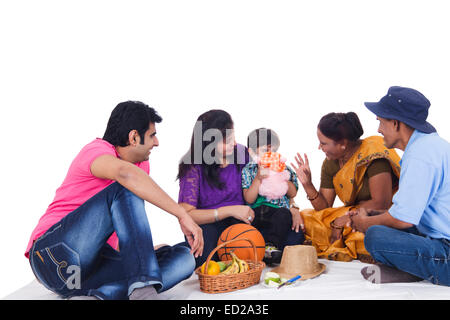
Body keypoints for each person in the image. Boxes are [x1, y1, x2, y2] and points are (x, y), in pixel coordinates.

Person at [26, 101, 203, 300]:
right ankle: (143, 291)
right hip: (52, 256)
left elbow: (122, 223)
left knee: (185, 257)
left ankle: (101, 296)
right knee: (124, 187)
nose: (157, 142)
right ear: (134, 137)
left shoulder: (140, 167)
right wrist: (181, 214)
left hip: (85, 275)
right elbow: (125, 175)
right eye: (152, 135)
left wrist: (142, 254)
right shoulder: (96, 151)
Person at [348, 86, 449, 286]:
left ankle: (421, 270)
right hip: (434, 233)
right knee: (379, 222)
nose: (378, 130)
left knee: (375, 236)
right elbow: (410, 211)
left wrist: (364, 224)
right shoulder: (427, 146)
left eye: (380, 122)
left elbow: (403, 220)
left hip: (446, 250)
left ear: (395, 123)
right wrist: (374, 214)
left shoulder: (421, 156)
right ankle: (412, 270)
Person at [291, 112, 401, 262]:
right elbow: (324, 208)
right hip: (354, 213)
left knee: (368, 233)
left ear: (343, 143)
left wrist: (343, 220)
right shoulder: (331, 163)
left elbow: (381, 202)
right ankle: (345, 240)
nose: (319, 147)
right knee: (305, 218)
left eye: (323, 143)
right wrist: (307, 184)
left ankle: (352, 242)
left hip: (384, 214)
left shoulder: (373, 154)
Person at [177, 109, 254, 267]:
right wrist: (230, 210)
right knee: (207, 255)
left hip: (239, 221)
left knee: (289, 235)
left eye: (233, 137)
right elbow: (187, 214)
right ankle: (171, 252)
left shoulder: (241, 153)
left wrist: (292, 205)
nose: (233, 144)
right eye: (226, 141)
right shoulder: (192, 166)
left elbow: (264, 182)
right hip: (208, 225)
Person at [242, 128, 305, 264]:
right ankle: (256, 249)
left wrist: (282, 176)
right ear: (252, 152)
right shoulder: (249, 170)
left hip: (278, 213)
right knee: (243, 224)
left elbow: (292, 193)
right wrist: (258, 179)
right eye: (265, 150)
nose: (270, 154)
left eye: (274, 151)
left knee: (285, 217)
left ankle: (271, 246)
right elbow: (249, 199)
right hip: (256, 212)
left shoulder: (285, 168)